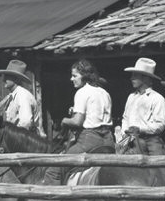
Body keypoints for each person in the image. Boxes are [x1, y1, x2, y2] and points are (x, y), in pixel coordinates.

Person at [41, 58, 114, 192]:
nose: (71, 79)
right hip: (108, 140)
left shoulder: (82, 92)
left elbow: (77, 122)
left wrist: (64, 120)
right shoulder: (104, 93)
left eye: (75, 75)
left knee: (53, 169)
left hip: (90, 139)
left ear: (84, 76)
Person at [119, 56, 165, 155]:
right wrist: (124, 133)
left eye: (135, 76)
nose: (131, 78)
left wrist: (140, 129)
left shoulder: (157, 98)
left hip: (149, 139)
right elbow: (125, 118)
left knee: (159, 163)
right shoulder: (131, 97)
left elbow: (160, 125)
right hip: (129, 137)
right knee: (115, 155)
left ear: (145, 78)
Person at [0, 58, 41, 131]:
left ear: (16, 79)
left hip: (26, 139)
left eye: (7, 77)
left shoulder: (22, 96)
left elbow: (25, 123)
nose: (3, 80)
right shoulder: (14, 96)